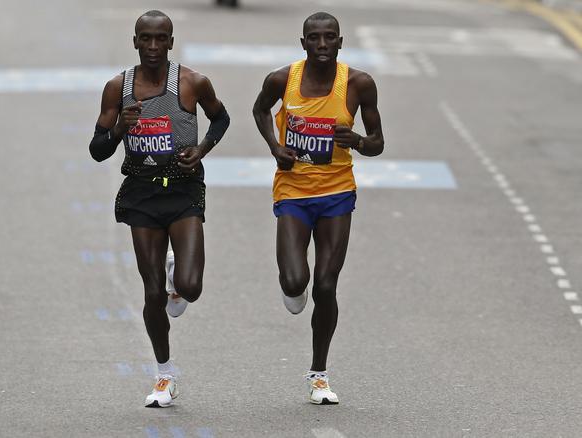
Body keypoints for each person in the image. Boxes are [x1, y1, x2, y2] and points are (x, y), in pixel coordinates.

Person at [89, 10, 230, 408]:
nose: (152, 47)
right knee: (151, 292)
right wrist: (119, 129)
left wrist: (201, 149)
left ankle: (176, 275)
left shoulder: (192, 83)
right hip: (141, 191)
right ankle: (164, 375)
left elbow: (221, 119)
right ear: (135, 41)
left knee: (190, 288)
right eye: (145, 39)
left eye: (160, 39)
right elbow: (97, 151)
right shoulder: (118, 88)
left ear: (171, 42)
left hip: (183, 189)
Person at [252, 11, 384, 405]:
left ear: (341, 42)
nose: (323, 45)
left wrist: (357, 140)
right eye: (315, 38)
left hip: (337, 193)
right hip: (293, 190)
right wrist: (276, 148)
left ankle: (319, 373)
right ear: (304, 43)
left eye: (330, 38)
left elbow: (378, 142)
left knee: (326, 285)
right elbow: (259, 110)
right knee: (295, 282)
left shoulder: (359, 84)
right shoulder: (281, 80)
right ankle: (292, 285)